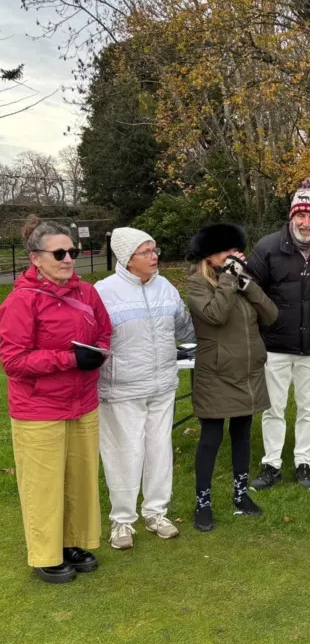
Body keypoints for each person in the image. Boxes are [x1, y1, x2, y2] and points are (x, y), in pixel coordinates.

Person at [0, 216, 111, 583]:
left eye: (73, 252)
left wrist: (99, 352)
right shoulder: (21, 301)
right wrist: (69, 359)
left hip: (82, 402)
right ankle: (45, 554)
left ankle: (73, 542)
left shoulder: (87, 292)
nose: (68, 259)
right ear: (36, 258)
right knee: (44, 483)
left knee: (80, 478)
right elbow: (13, 361)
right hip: (39, 408)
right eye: (60, 253)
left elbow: (104, 330)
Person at [95, 227, 195, 551]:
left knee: (159, 450)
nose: (154, 257)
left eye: (155, 250)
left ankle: (156, 512)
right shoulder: (103, 292)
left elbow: (185, 328)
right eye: (146, 252)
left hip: (163, 385)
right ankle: (122, 521)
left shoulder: (165, 287)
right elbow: (92, 339)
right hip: (121, 388)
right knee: (124, 453)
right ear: (127, 258)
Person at [247, 179, 310, 491]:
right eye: (301, 216)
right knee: (273, 409)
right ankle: (272, 464)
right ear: (292, 216)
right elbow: (249, 294)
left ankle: (304, 462)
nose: (306, 223)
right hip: (275, 345)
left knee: (308, 408)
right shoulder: (267, 248)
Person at [187, 223, 278, 531]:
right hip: (216, 374)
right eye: (227, 251)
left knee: (242, 435)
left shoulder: (240, 281)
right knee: (211, 439)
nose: (234, 255)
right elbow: (215, 315)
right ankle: (203, 501)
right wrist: (228, 277)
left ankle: (240, 495)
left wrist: (246, 283)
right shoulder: (197, 284)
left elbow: (271, 314)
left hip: (248, 372)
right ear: (211, 256)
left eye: (236, 250)